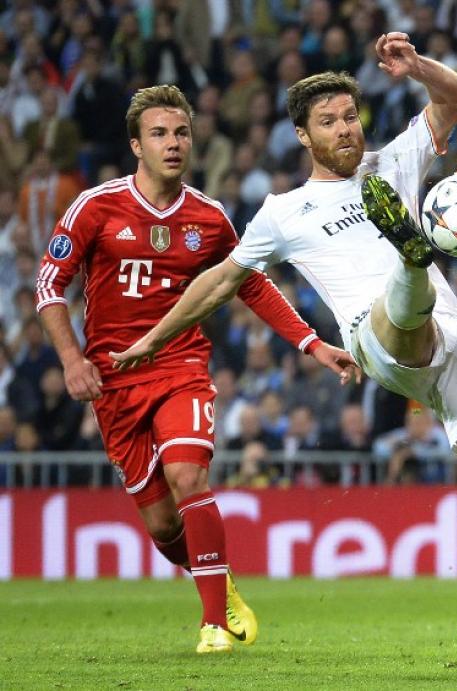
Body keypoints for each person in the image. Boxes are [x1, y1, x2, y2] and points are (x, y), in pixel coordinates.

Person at [110, 34, 457, 663]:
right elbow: (220, 283)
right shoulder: (284, 212)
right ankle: (413, 255)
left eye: (350, 117)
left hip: (453, 339)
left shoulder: (393, 163)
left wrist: (418, 67)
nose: (345, 130)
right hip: (378, 337)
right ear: (302, 136)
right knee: (404, 303)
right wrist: (154, 338)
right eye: (328, 122)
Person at [36, 85, 358, 654]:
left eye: (182, 132)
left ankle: (213, 624)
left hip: (181, 366)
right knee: (162, 524)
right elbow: (48, 285)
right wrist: (71, 358)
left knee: (189, 478)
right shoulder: (95, 206)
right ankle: (217, 582)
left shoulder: (208, 219)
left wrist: (312, 344)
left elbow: (250, 284)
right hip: (114, 381)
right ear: (137, 144)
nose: (173, 143)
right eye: (159, 134)